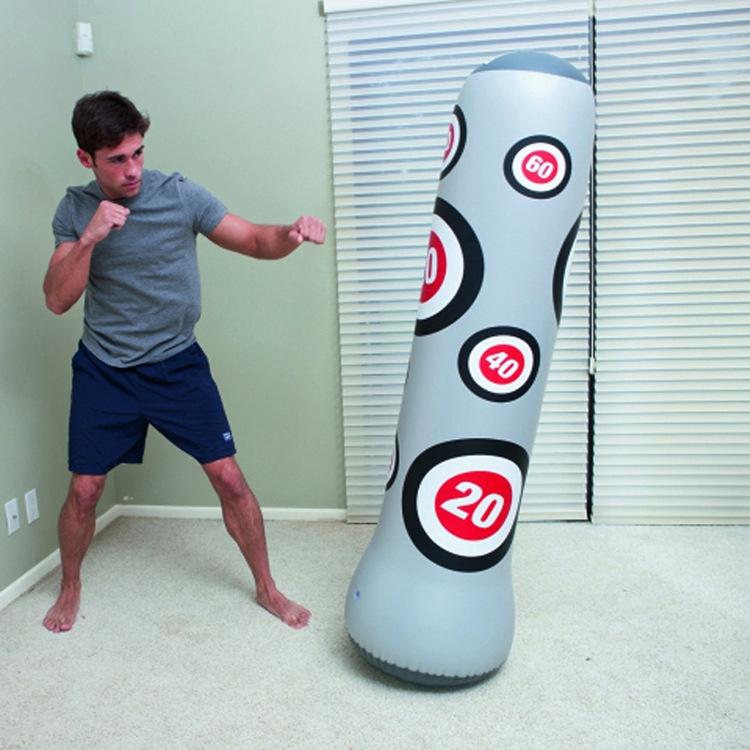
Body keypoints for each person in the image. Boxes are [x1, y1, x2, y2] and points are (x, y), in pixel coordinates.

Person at [42, 91, 326, 633]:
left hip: (176, 364)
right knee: (84, 489)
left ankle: (267, 588)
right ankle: (70, 585)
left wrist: (290, 235)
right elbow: (57, 300)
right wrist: (91, 237)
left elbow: (253, 240)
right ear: (86, 159)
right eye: (116, 159)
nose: (132, 169)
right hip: (105, 368)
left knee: (229, 478)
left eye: (138, 153)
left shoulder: (178, 194)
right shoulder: (75, 211)